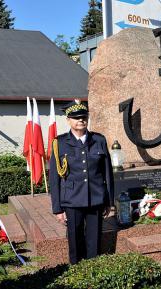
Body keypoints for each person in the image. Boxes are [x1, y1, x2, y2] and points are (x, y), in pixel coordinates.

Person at [49, 99, 114, 264]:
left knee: (94, 239)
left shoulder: (98, 140)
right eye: (76, 117)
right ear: (68, 120)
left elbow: (107, 173)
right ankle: (76, 271)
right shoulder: (60, 143)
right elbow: (55, 179)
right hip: (72, 199)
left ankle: (93, 270)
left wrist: (109, 202)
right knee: (74, 240)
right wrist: (57, 208)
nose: (81, 120)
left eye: (84, 117)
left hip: (95, 198)